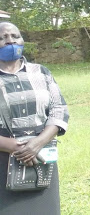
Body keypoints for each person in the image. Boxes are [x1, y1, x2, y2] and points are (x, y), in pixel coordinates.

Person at [0, 22, 70, 215]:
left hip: (42, 156)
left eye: (15, 36)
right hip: (3, 156)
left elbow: (59, 109)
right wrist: (14, 147)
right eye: (3, 37)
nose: (10, 41)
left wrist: (38, 143)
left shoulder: (41, 72)